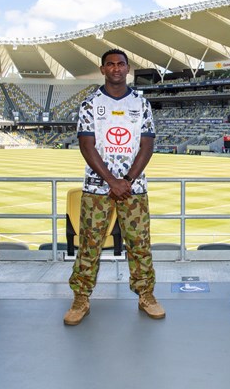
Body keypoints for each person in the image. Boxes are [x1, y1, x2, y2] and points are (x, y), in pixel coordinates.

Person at [64, 49, 165, 325]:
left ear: (128, 68)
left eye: (121, 64)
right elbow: (87, 145)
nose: (116, 68)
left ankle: (146, 295)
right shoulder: (89, 104)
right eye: (110, 64)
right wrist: (111, 181)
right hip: (97, 189)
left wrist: (127, 181)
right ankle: (81, 298)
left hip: (134, 189)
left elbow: (147, 144)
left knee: (139, 244)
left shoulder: (142, 104)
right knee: (89, 244)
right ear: (102, 69)